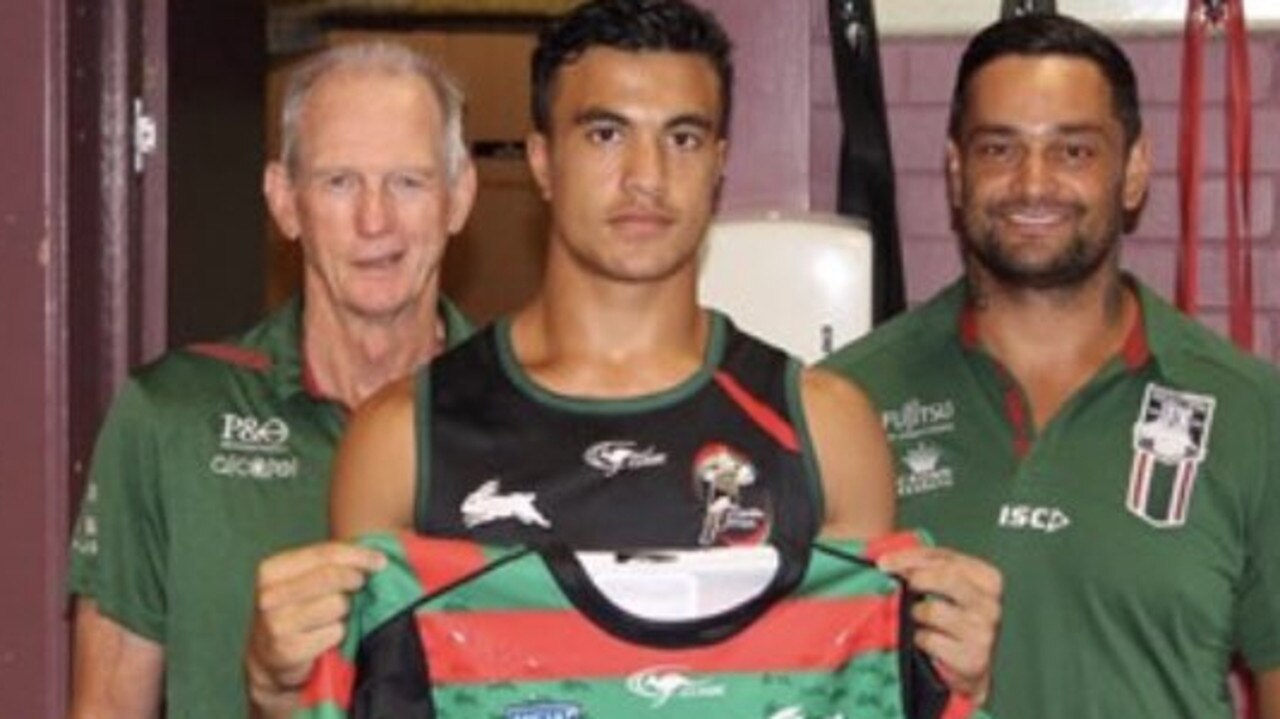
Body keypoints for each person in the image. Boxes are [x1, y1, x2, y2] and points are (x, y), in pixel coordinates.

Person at [245, 1, 1001, 717]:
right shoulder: (401, 439)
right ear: (542, 160)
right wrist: (277, 686)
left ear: (719, 163)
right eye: (605, 133)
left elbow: (861, 691)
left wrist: (952, 678)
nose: (646, 175)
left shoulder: (827, 431)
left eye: (683, 137)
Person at [823, 13, 1280, 719]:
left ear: (1132, 172)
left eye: (1073, 151)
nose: (1032, 183)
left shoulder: (1251, 409)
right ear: (955, 170)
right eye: (999, 147)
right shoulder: (846, 400)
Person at [66, 41, 477, 719]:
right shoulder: (170, 417)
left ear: (458, 198)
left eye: (409, 181)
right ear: (285, 203)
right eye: (339, 181)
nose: (375, 220)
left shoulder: (530, 417)